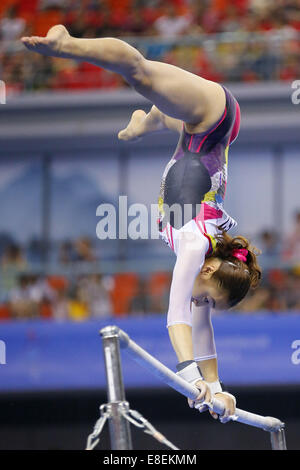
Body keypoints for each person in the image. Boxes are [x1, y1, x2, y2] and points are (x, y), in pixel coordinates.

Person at [21, 25, 262, 423]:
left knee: (172, 117)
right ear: (209, 270)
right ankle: (67, 44)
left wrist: (216, 388)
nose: (200, 304)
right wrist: (190, 378)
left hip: (202, 135)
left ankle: (149, 121)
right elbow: (176, 318)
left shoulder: (207, 264)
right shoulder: (194, 247)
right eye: (207, 297)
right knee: (140, 72)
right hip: (213, 116)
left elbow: (202, 330)